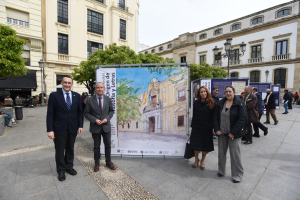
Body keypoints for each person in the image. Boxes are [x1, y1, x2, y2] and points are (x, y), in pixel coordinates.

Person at [47, 76, 83, 182]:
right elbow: (50, 114)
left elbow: (80, 113)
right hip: (58, 128)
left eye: (69, 83)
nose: (67, 84)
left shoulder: (77, 96)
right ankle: (61, 170)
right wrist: (50, 130)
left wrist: (80, 125)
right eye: (65, 82)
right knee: (59, 150)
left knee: (70, 149)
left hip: (73, 127)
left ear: (72, 84)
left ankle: (69, 167)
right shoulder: (54, 95)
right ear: (61, 83)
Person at [214, 86, 246, 183]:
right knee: (221, 153)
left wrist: (233, 133)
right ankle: (221, 170)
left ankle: (237, 175)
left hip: (234, 134)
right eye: (226, 91)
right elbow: (215, 118)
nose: (228, 93)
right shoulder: (220, 103)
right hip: (222, 133)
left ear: (234, 92)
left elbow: (242, 119)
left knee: (235, 155)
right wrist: (217, 129)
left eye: (230, 91)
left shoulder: (240, 103)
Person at [84, 82, 116, 172]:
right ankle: (97, 163)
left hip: (106, 126)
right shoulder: (90, 100)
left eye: (101, 87)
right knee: (96, 146)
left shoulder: (108, 99)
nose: (100, 89)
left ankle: (108, 162)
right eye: (98, 87)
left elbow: (111, 111)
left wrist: (107, 118)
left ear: (104, 89)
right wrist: (95, 120)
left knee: (108, 145)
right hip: (95, 127)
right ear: (95, 89)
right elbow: (86, 113)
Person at [190, 86, 215, 170]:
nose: (203, 93)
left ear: (207, 92)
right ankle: (196, 160)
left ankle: (203, 160)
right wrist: (193, 125)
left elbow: (213, 116)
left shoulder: (211, 102)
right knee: (195, 145)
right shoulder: (196, 102)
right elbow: (194, 114)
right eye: (201, 92)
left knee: (205, 146)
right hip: (197, 126)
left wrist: (211, 126)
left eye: (204, 91)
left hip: (207, 127)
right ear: (199, 94)